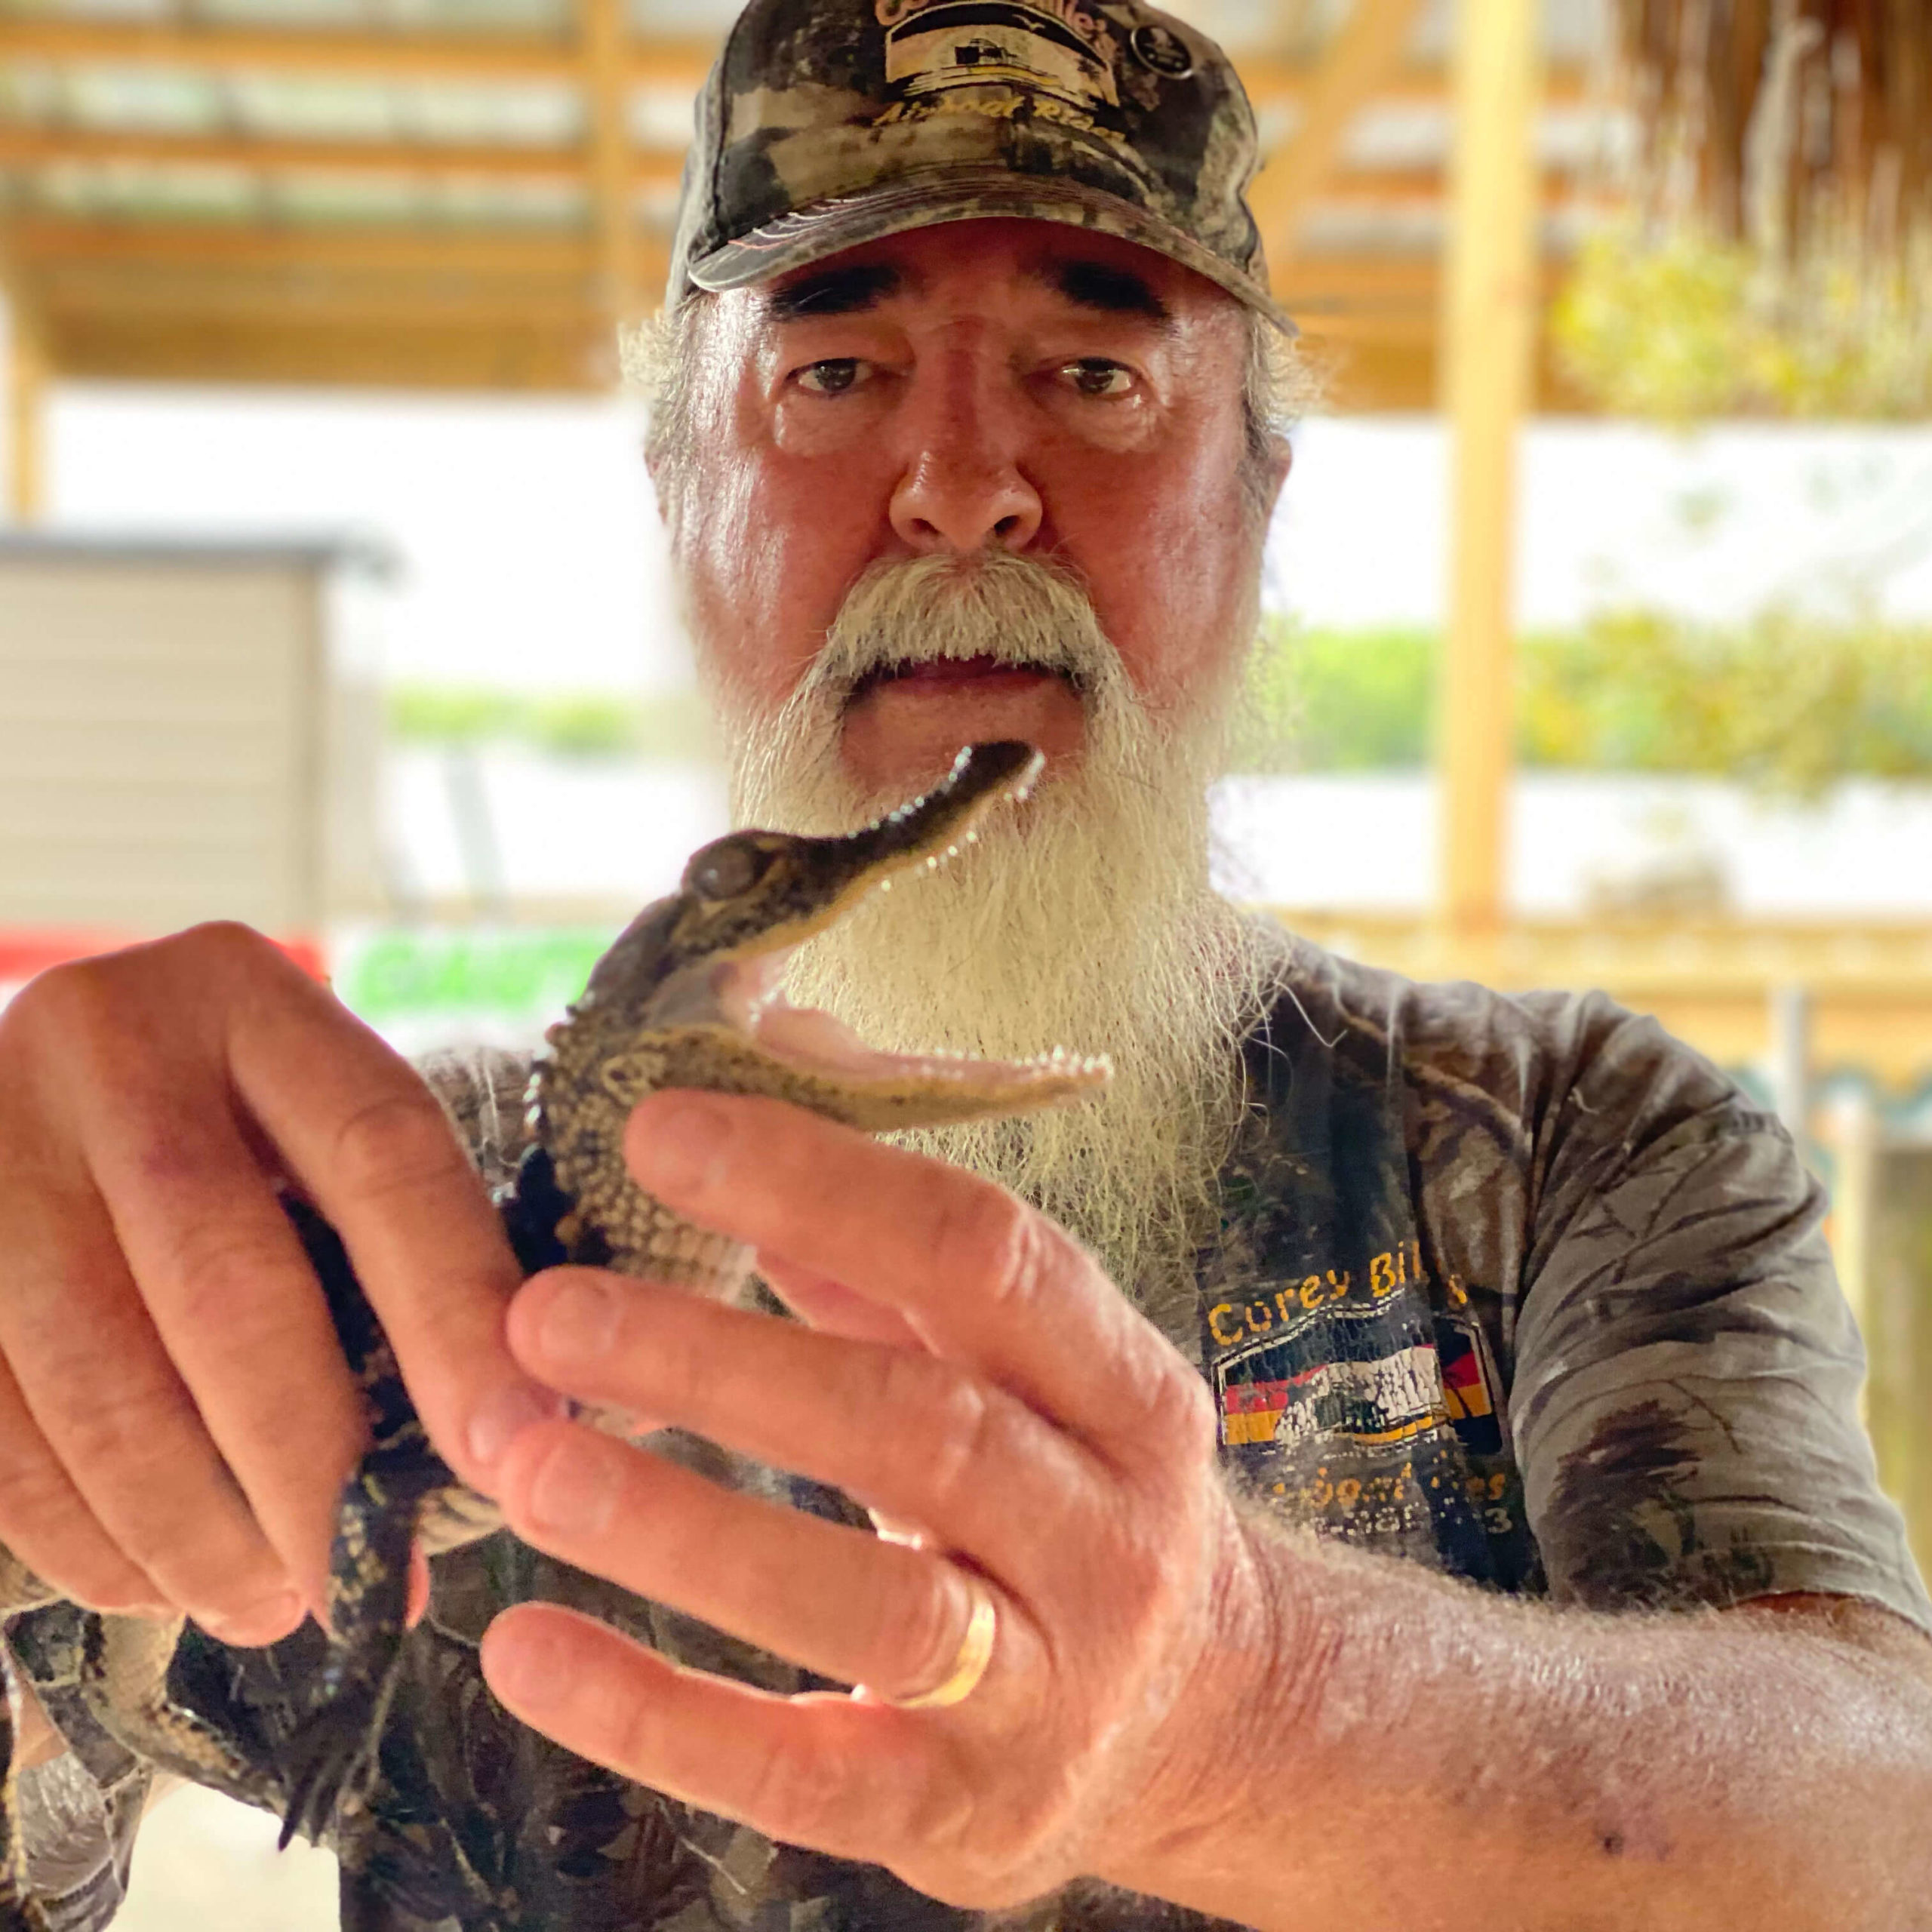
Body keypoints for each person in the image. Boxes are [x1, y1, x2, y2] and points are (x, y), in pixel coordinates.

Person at [4, 0, 1931, 1924]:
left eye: (1094, 374)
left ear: (1251, 508)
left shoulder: (1571, 1145)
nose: (959, 483)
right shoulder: (387, 1218)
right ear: (683, 508)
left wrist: (1252, 1699)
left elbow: (1879, 1818)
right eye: (832, 370)